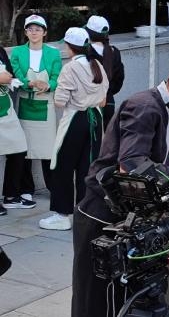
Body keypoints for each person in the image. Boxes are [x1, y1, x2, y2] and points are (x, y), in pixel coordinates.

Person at [71, 53, 169, 317]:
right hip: (100, 216)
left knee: (129, 298)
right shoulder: (144, 106)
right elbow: (131, 164)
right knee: (97, 304)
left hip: (129, 219)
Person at [38, 28, 108, 230]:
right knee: (88, 168)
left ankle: (62, 215)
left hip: (75, 119)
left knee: (62, 167)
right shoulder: (97, 65)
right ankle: (85, 213)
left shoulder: (70, 68)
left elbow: (60, 101)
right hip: (95, 119)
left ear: (70, 47)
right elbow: (103, 101)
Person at [10, 14, 62, 207]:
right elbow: (14, 75)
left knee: (49, 150)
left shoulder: (53, 54)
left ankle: (54, 188)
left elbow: (58, 77)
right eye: (30, 29)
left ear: (45, 32)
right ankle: (26, 190)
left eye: (38, 29)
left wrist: (48, 86)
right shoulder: (17, 52)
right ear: (25, 32)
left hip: (46, 104)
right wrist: (29, 82)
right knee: (24, 150)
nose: (34, 32)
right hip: (25, 103)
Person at [84, 15, 125, 129]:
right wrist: (109, 92)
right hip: (109, 102)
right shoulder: (114, 52)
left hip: (88, 104)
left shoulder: (86, 52)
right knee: (107, 141)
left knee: (92, 142)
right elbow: (119, 79)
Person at [1, 45, 28, 215]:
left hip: (6, 109)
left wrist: (7, 78)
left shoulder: (0, 50)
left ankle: (11, 195)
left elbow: (9, 74)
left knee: (19, 148)